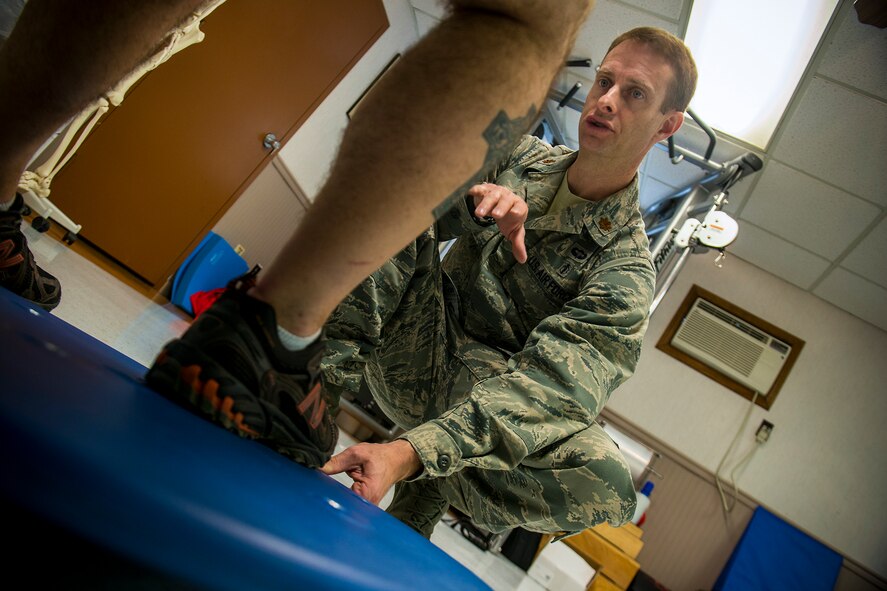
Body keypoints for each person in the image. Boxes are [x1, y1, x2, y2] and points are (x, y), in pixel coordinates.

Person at [0, 1, 592, 464]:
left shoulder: (622, 259)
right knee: (529, 15)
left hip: (465, 371)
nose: (607, 100)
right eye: (608, 81)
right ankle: (273, 338)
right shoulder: (533, 163)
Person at [320, 26, 698, 538]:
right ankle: (314, 400)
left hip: (483, 416)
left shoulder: (626, 271)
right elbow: (413, 197)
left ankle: (425, 482)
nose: (607, 101)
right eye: (604, 81)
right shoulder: (518, 155)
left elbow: (548, 390)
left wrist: (411, 453)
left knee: (605, 483)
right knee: (399, 199)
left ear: (666, 126)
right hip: (412, 347)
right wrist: (473, 211)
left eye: (635, 94)